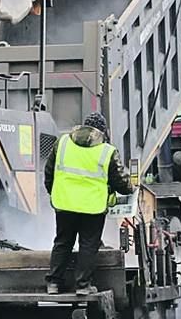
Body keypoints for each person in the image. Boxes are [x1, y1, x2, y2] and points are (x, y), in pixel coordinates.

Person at [44, 112, 134, 296]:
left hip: (64, 204)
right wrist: (130, 188)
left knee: (62, 242)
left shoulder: (62, 143)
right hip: (92, 208)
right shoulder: (107, 151)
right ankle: (82, 286)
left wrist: (54, 193)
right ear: (102, 131)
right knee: (88, 245)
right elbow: (120, 182)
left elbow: (49, 173)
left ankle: (53, 283)